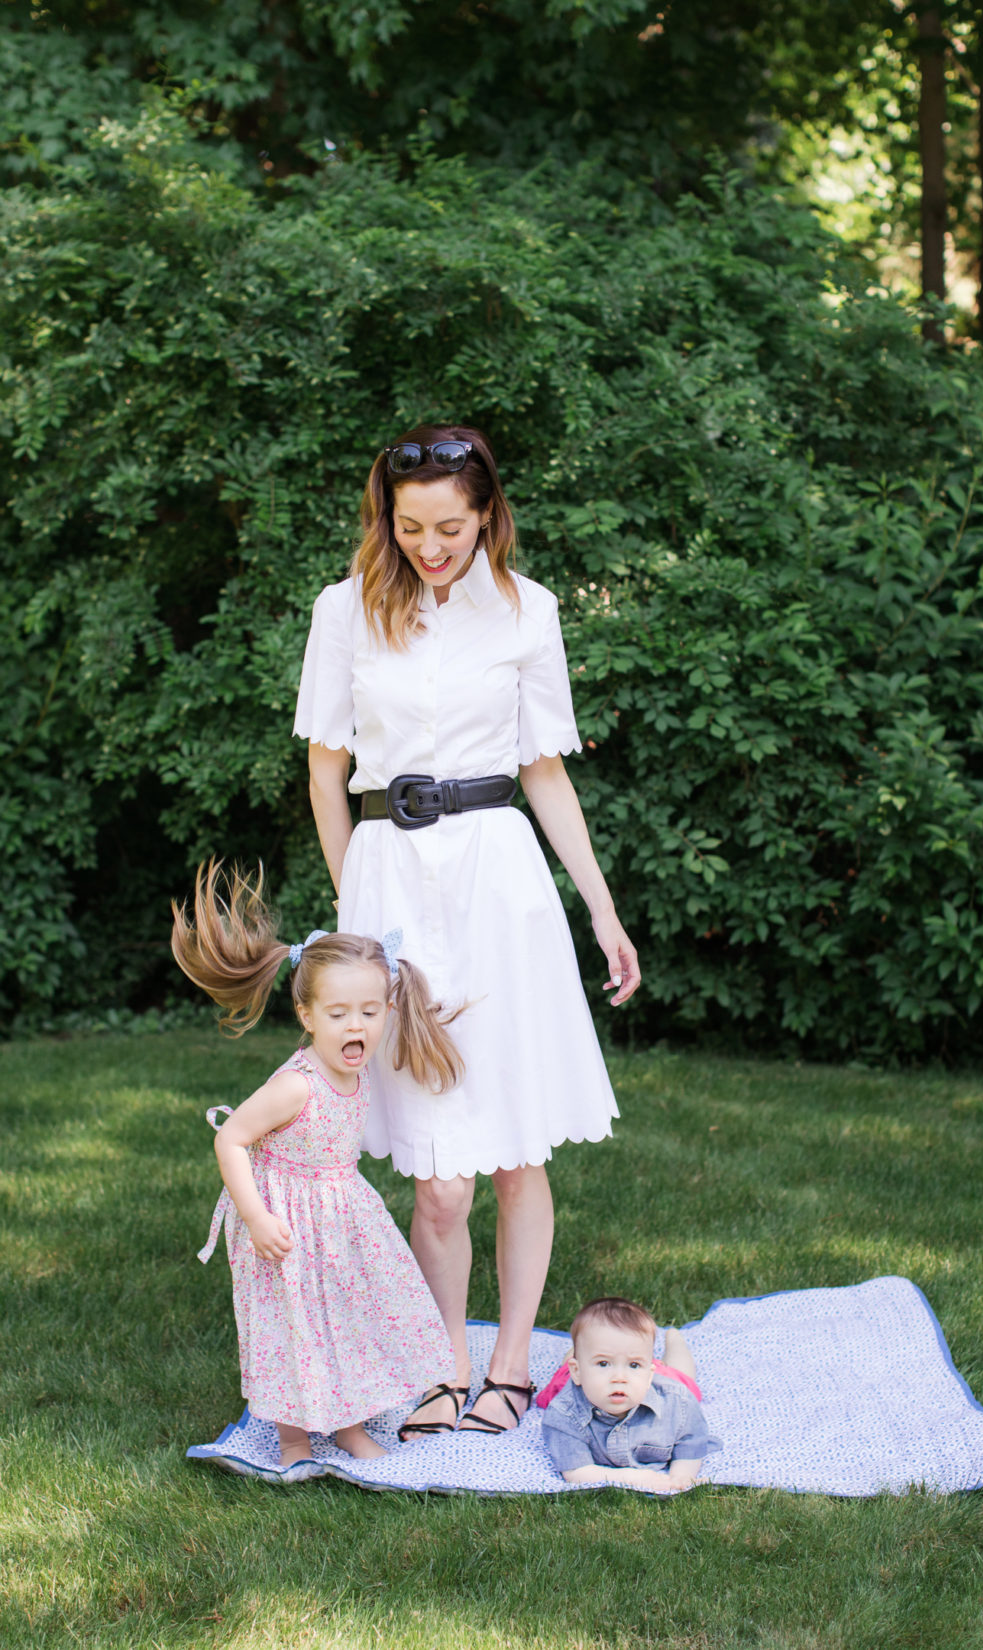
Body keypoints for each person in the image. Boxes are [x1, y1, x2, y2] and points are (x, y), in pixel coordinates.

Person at [293, 424, 640, 1438]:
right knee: (436, 1181)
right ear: (385, 521)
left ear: (487, 513)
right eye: (409, 528)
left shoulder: (529, 612)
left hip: (500, 887)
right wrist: (353, 905)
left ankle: (505, 1367)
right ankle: (438, 1364)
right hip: (390, 882)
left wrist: (602, 908)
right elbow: (325, 766)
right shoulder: (343, 611)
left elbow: (543, 771)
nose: (429, 546)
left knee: (513, 1152)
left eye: (449, 525)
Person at [171, 860, 461, 1470]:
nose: (356, 1025)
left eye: (369, 1011)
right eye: (338, 1014)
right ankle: (295, 1437)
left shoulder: (356, 1069)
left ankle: (349, 1424)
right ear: (307, 1017)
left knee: (348, 1316)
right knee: (292, 1324)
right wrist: (254, 1216)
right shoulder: (296, 1085)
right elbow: (231, 1140)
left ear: (387, 1007)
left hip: (338, 1215)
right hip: (283, 1223)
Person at [537, 1297, 722, 1493]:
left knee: (683, 1375)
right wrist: (630, 1477)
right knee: (566, 1370)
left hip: (655, 1380)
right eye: (603, 1364)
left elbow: (691, 1442)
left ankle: (674, 1338)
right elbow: (576, 1472)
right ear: (578, 1372)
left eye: (633, 1365)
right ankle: (580, 1351)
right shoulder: (564, 1412)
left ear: (650, 1373)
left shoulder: (678, 1401)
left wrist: (681, 1477)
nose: (619, 1378)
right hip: (577, 1378)